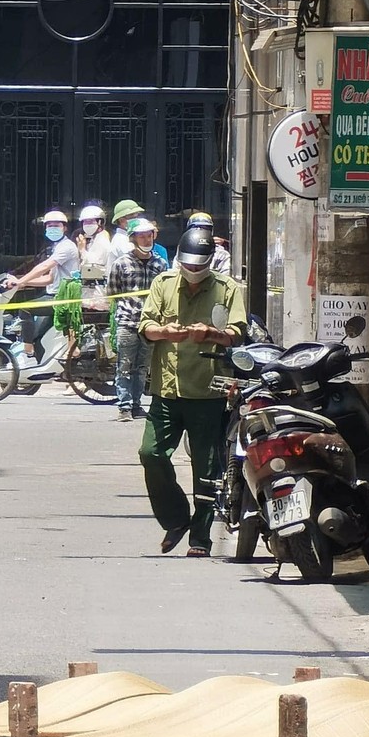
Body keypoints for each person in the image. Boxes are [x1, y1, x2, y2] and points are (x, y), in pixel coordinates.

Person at [139, 225, 247, 558]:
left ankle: (200, 537)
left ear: (210, 263)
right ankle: (175, 518)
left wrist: (211, 334)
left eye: (199, 267)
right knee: (150, 453)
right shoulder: (164, 284)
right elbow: (146, 326)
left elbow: (237, 333)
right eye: (188, 266)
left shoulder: (228, 289)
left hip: (208, 391)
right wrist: (164, 332)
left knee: (207, 468)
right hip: (167, 389)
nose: (193, 273)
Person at [107, 218, 166, 422]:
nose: (146, 239)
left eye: (149, 235)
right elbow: (113, 292)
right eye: (141, 236)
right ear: (133, 238)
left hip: (150, 325)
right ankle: (124, 407)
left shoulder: (161, 264)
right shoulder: (121, 263)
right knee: (125, 365)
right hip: (127, 322)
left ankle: (136, 404)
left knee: (142, 368)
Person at [4, 210, 79, 361]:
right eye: (49, 225)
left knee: (24, 309)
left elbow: (43, 267)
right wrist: (21, 284)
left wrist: (21, 281)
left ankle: (28, 353)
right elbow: (50, 278)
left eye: (56, 225)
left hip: (61, 298)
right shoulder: (56, 247)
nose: (52, 228)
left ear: (64, 228)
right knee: (36, 336)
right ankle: (39, 366)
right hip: (52, 295)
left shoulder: (66, 247)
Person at [106, 199, 145, 277]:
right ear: (121, 220)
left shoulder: (128, 237)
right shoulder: (121, 240)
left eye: (137, 215)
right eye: (132, 216)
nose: (136, 219)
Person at [76, 203, 110, 276]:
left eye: (91, 221)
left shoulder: (102, 239)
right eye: (85, 222)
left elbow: (93, 264)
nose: (87, 225)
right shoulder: (93, 239)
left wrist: (82, 250)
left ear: (100, 222)